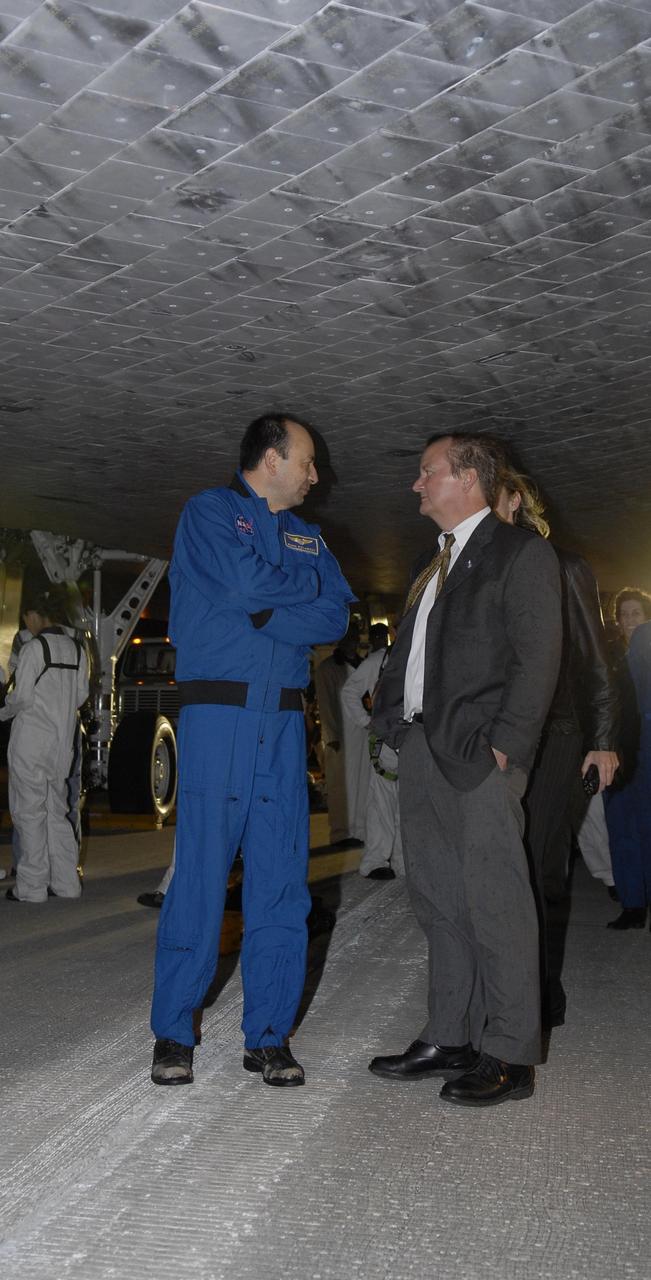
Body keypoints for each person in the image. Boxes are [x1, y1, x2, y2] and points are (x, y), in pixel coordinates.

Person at [149, 412, 353, 1088]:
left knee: (281, 886)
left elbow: (334, 614)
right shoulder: (208, 513)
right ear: (271, 459)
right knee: (202, 877)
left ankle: (267, 1036)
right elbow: (241, 588)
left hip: (283, 726)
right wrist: (277, 600)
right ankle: (174, 1033)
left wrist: (266, 605)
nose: (314, 476)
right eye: (307, 462)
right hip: (217, 717)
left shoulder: (307, 535)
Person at [368, 433, 562, 1108]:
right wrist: (392, 721)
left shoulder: (521, 554)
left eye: (426, 474)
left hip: (479, 757)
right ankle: (449, 1033)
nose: (415, 486)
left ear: (468, 480)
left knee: (496, 905)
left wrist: (505, 747)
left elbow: (536, 663)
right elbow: (409, 655)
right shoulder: (435, 560)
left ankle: (510, 1053)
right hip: (421, 748)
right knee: (438, 902)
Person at [494, 469, 619, 1025]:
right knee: (499, 863)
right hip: (501, 736)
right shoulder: (480, 568)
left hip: (560, 734)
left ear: (516, 501)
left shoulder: (563, 566)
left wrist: (605, 741)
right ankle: (508, 989)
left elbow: (596, 661)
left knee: (537, 863)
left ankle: (540, 992)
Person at [0, 593, 89, 902]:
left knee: (29, 813)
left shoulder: (34, 649)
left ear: (35, 615)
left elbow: (21, 697)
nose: (27, 623)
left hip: (32, 742)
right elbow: (80, 698)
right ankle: (66, 883)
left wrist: (3, 710)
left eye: (27, 618)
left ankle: (32, 887)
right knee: (57, 811)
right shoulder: (78, 649)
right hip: (62, 745)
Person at [340, 624, 404, 880]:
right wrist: (366, 721)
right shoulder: (379, 661)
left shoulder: (419, 659)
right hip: (384, 744)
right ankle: (375, 860)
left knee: (406, 805)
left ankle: (403, 860)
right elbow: (349, 692)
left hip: (412, 742)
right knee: (380, 804)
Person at [604, 588, 651, 928]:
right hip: (617, 747)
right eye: (625, 614)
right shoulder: (609, 655)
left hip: (647, 743)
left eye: (637, 613)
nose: (630, 620)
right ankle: (633, 904)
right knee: (621, 826)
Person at [314, 620, 371, 848]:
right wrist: (331, 735)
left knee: (362, 783)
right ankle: (340, 832)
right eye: (349, 635)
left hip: (363, 734)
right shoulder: (327, 668)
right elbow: (325, 703)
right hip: (340, 736)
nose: (353, 640)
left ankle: (359, 830)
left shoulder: (363, 665)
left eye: (356, 635)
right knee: (340, 786)